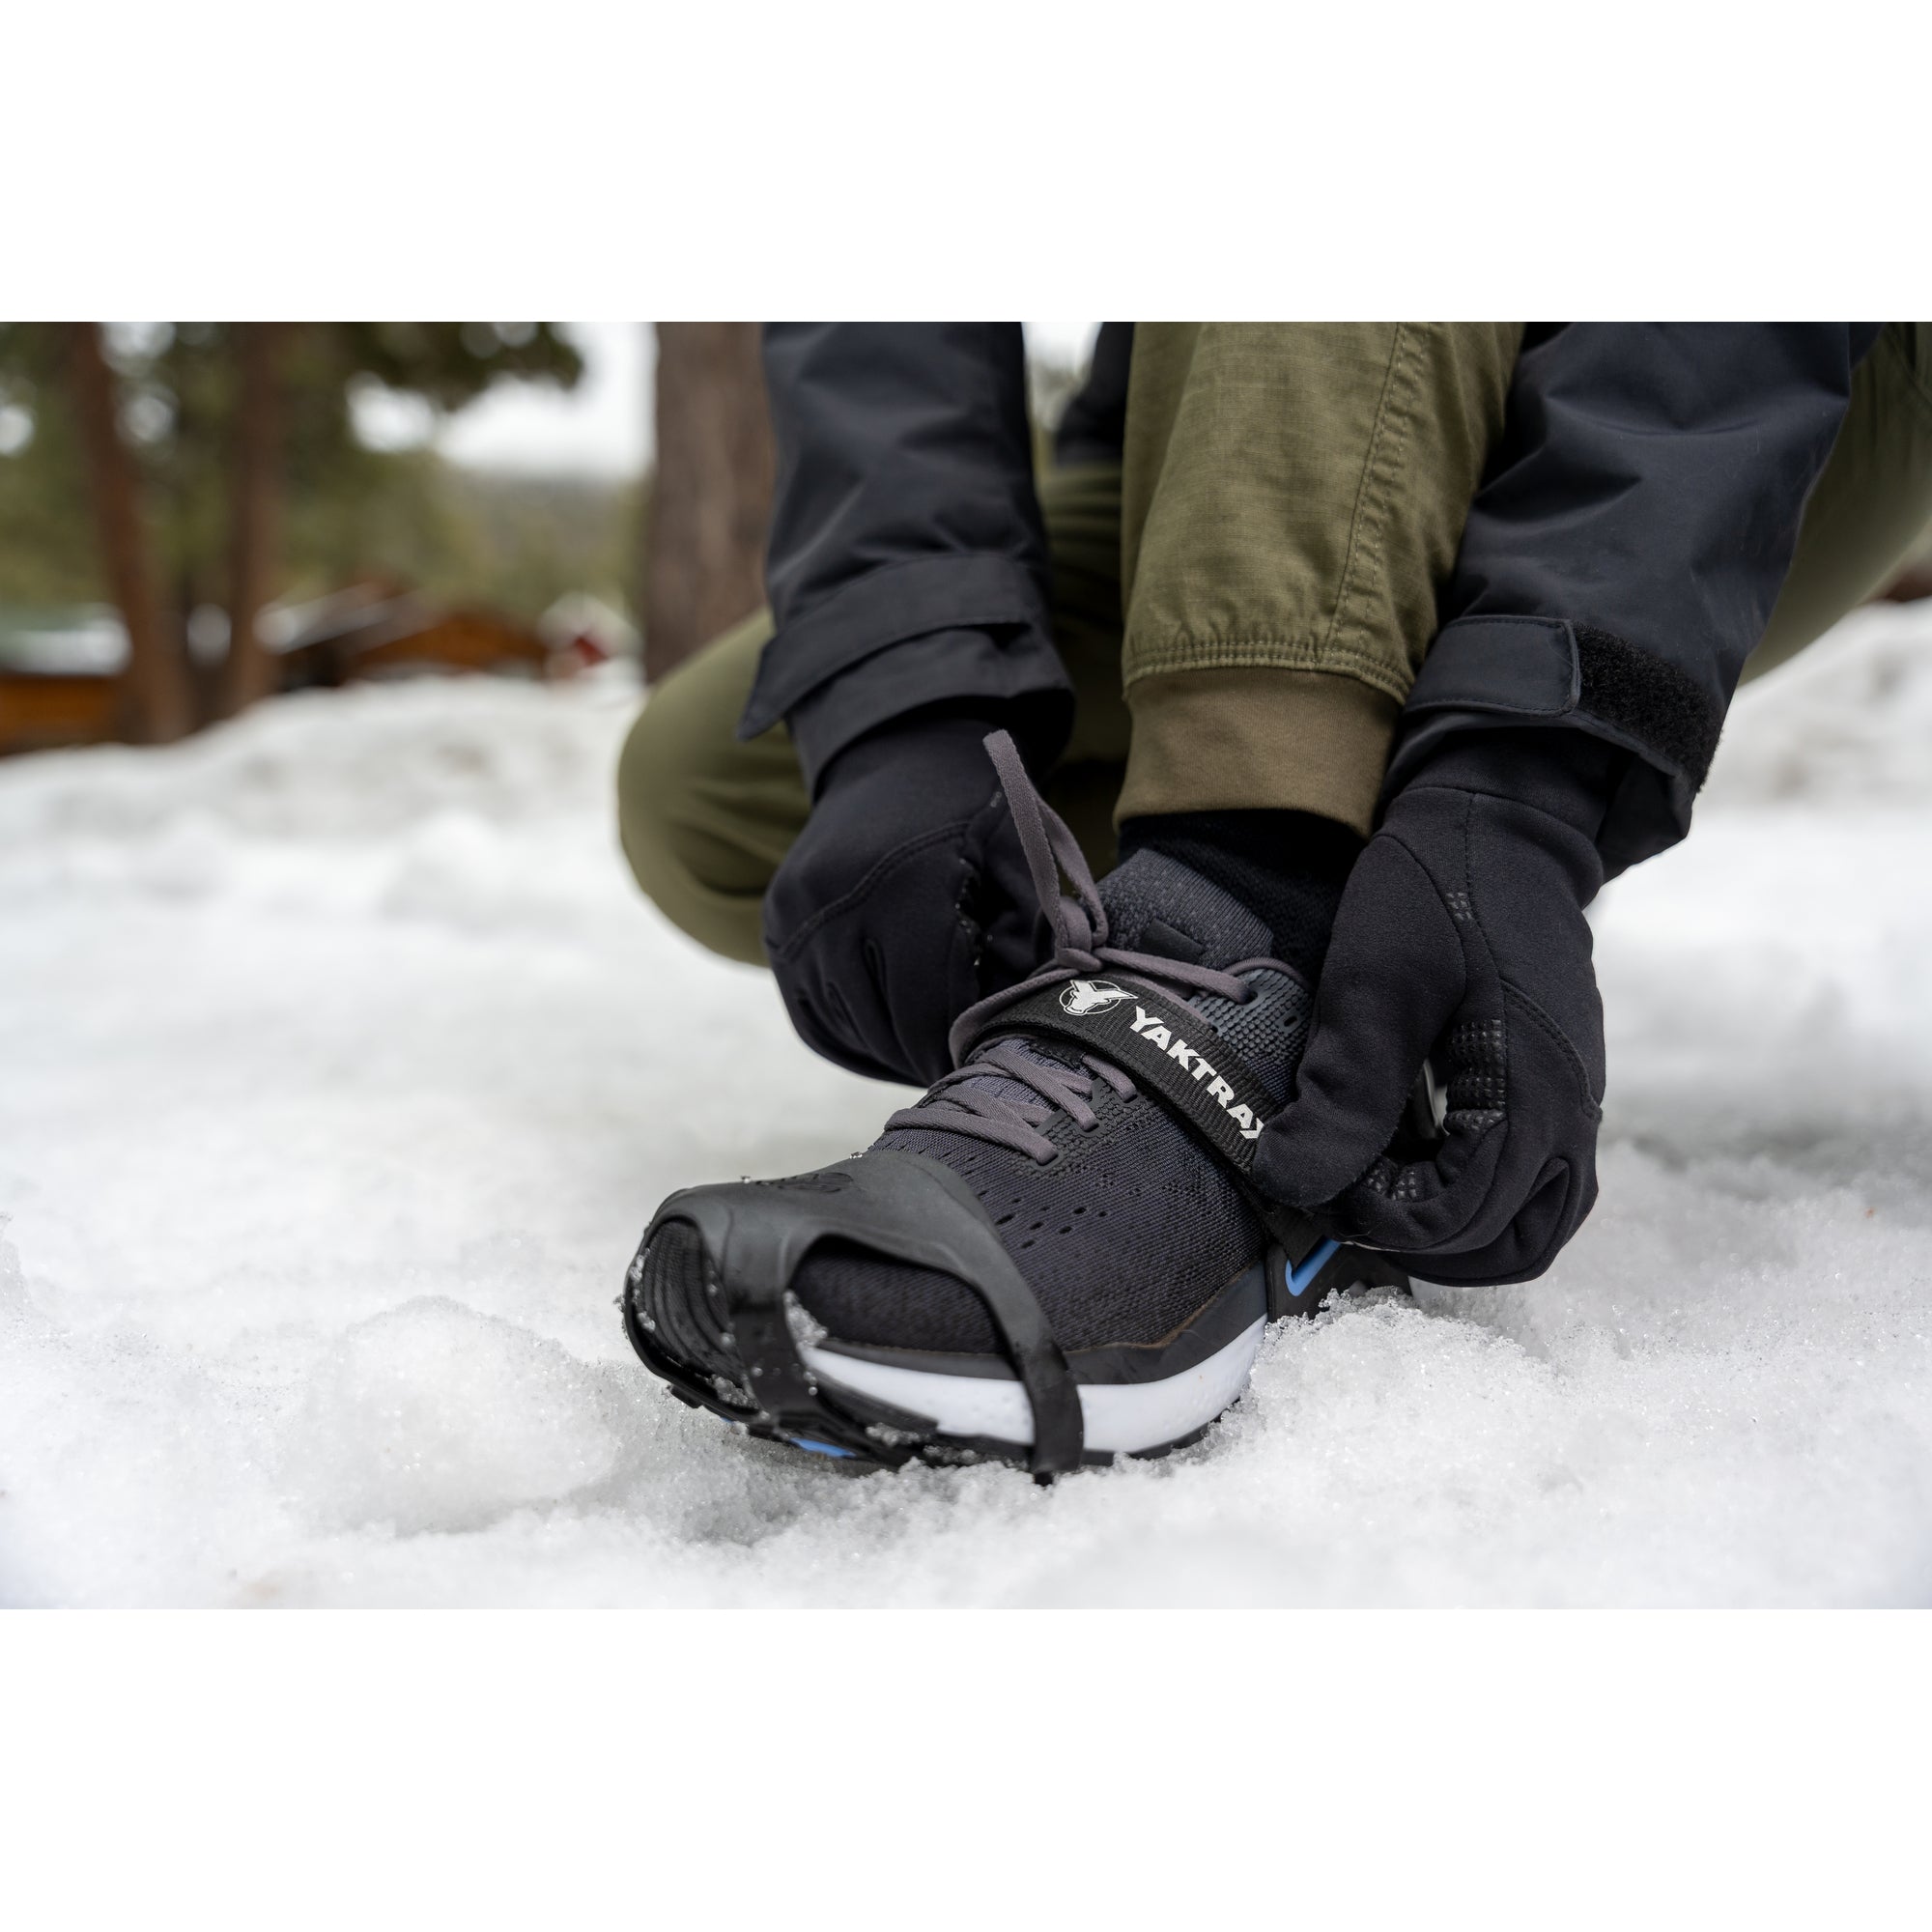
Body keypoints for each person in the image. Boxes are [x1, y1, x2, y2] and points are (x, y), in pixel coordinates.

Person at [615, 323, 1932, 1475]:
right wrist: (902, 703)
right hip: (1246, 402)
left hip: (1745, 376)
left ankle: (1252, 915)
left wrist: (1531, 777)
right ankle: (1220, 974)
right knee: (712, 795)